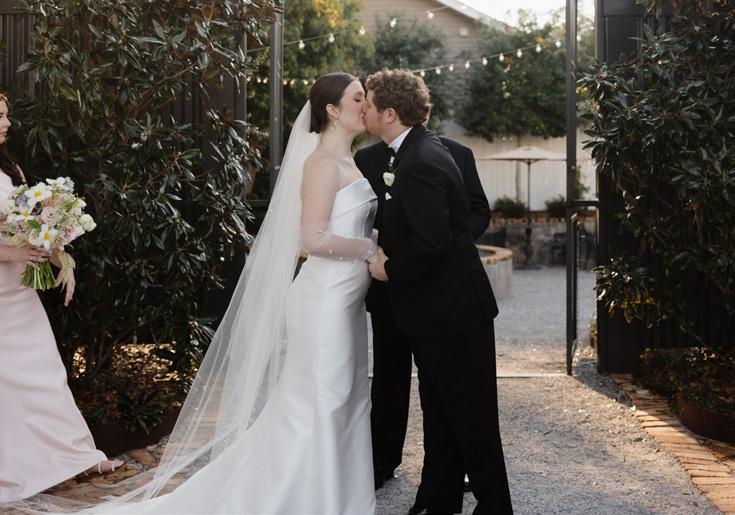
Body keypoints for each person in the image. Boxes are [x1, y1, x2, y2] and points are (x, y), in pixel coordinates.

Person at [11, 73, 378, 514]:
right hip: (324, 305)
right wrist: (370, 249)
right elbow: (312, 240)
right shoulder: (321, 164)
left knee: (347, 401)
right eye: (357, 97)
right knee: (321, 402)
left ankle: (340, 497)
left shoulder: (351, 161)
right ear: (332, 110)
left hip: (346, 302)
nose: (366, 104)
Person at [362, 69, 513, 515]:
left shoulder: (421, 161)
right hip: (436, 311)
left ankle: (495, 508)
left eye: (369, 101)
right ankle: (438, 500)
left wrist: (388, 268)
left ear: (390, 113)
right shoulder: (413, 151)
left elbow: (435, 243)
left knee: (471, 419)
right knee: (442, 412)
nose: (364, 108)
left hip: (453, 311)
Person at [0, 92, 122, 503]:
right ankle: (17, 467)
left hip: (19, 289)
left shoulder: (10, 167)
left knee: (45, 370)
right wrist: (14, 253)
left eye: (6, 114)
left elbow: (32, 227)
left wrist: (60, 258)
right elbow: (15, 241)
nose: (7, 123)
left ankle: (76, 456)